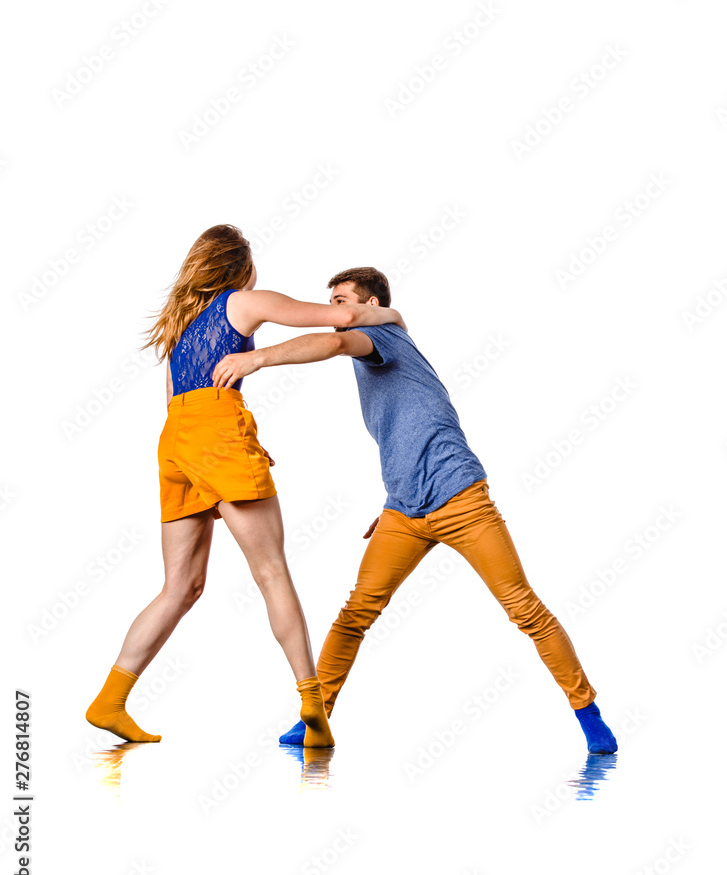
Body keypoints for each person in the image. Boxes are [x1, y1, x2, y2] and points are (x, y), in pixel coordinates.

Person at [211, 266, 618, 754]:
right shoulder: (370, 350)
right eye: (333, 302)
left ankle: (589, 715)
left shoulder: (381, 333)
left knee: (524, 608)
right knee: (354, 613)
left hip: (460, 497)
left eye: (343, 301)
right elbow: (403, 432)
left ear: (372, 306)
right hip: (404, 509)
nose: (335, 312)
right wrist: (395, 500)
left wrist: (258, 358)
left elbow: (338, 343)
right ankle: (313, 719)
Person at [85, 230, 405, 749]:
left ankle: (110, 700)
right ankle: (313, 704)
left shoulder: (180, 324)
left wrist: (232, 443)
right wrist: (391, 317)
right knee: (271, 569)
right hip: (216, 433)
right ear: (241, 267)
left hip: (176, 441)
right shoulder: (245, 301)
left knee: (180, 587)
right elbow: (343, 319)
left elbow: (178, 402)